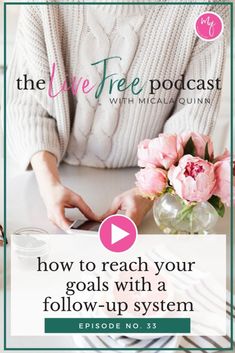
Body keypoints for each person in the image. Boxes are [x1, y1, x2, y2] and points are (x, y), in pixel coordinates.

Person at [7, 0, 229, 230]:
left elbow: (192, 117)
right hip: (48, 177)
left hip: (149, 189)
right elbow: (28, 106)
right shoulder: (43, 5)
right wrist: (49, 185)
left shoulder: (207, 9)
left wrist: (147, 193)